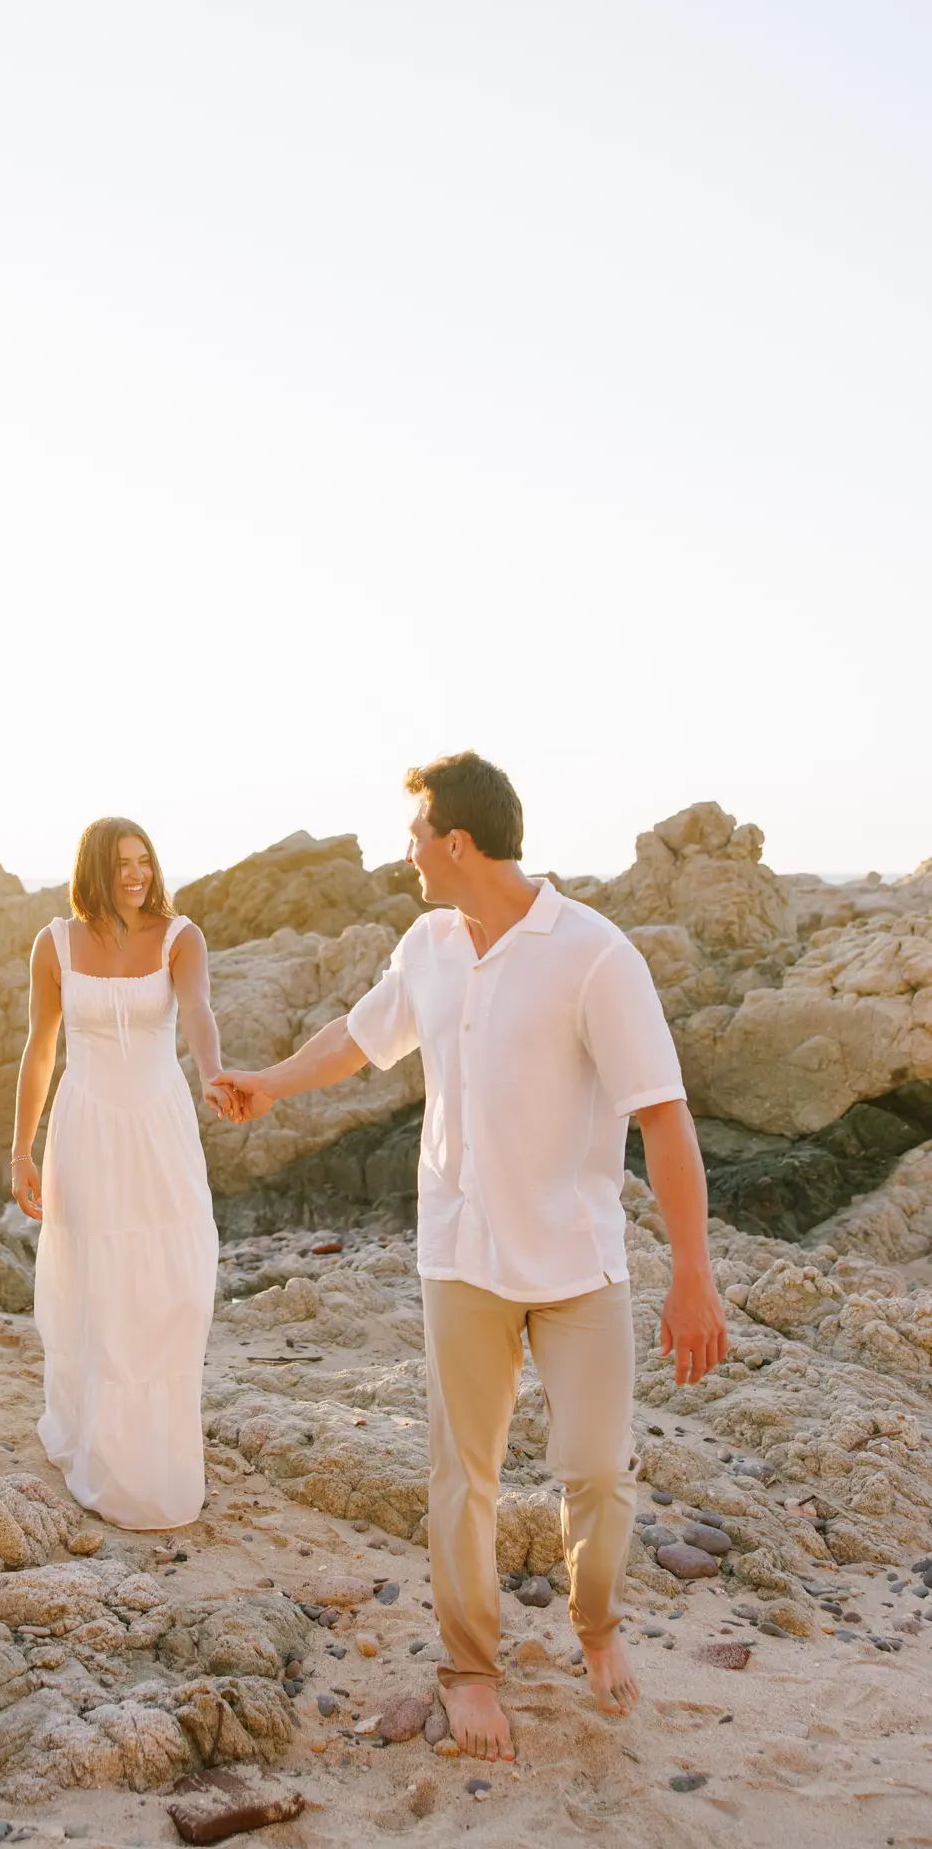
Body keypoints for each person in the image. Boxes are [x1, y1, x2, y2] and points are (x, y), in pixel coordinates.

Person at [211, 752, 726, 1761]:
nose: (401, 853)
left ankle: (595, 1623)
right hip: (458, 1252)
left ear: (455, 841)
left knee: (595, 1472)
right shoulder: (429, 942)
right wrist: (270, 1083)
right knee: (463, 1475)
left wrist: (692, 1274)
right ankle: (470, 1666)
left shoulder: (593, 953)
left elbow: (662, 1118)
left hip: (576, 1261)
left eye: (413, 835)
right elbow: (358, 1038)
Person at [10, 817, 227, 1530]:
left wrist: (213, 1072)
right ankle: (102, 1446)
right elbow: (40, 1049)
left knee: (177, 1280)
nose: (136, 873)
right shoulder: (54, 943)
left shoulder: (179, 936)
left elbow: (195, 1009)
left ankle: (161, 1448)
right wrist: (22, 1148)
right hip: (87, 1128)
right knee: (100, 1284)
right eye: (122, 862)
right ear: (94, 869)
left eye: (144, 860)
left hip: (158, 1124)